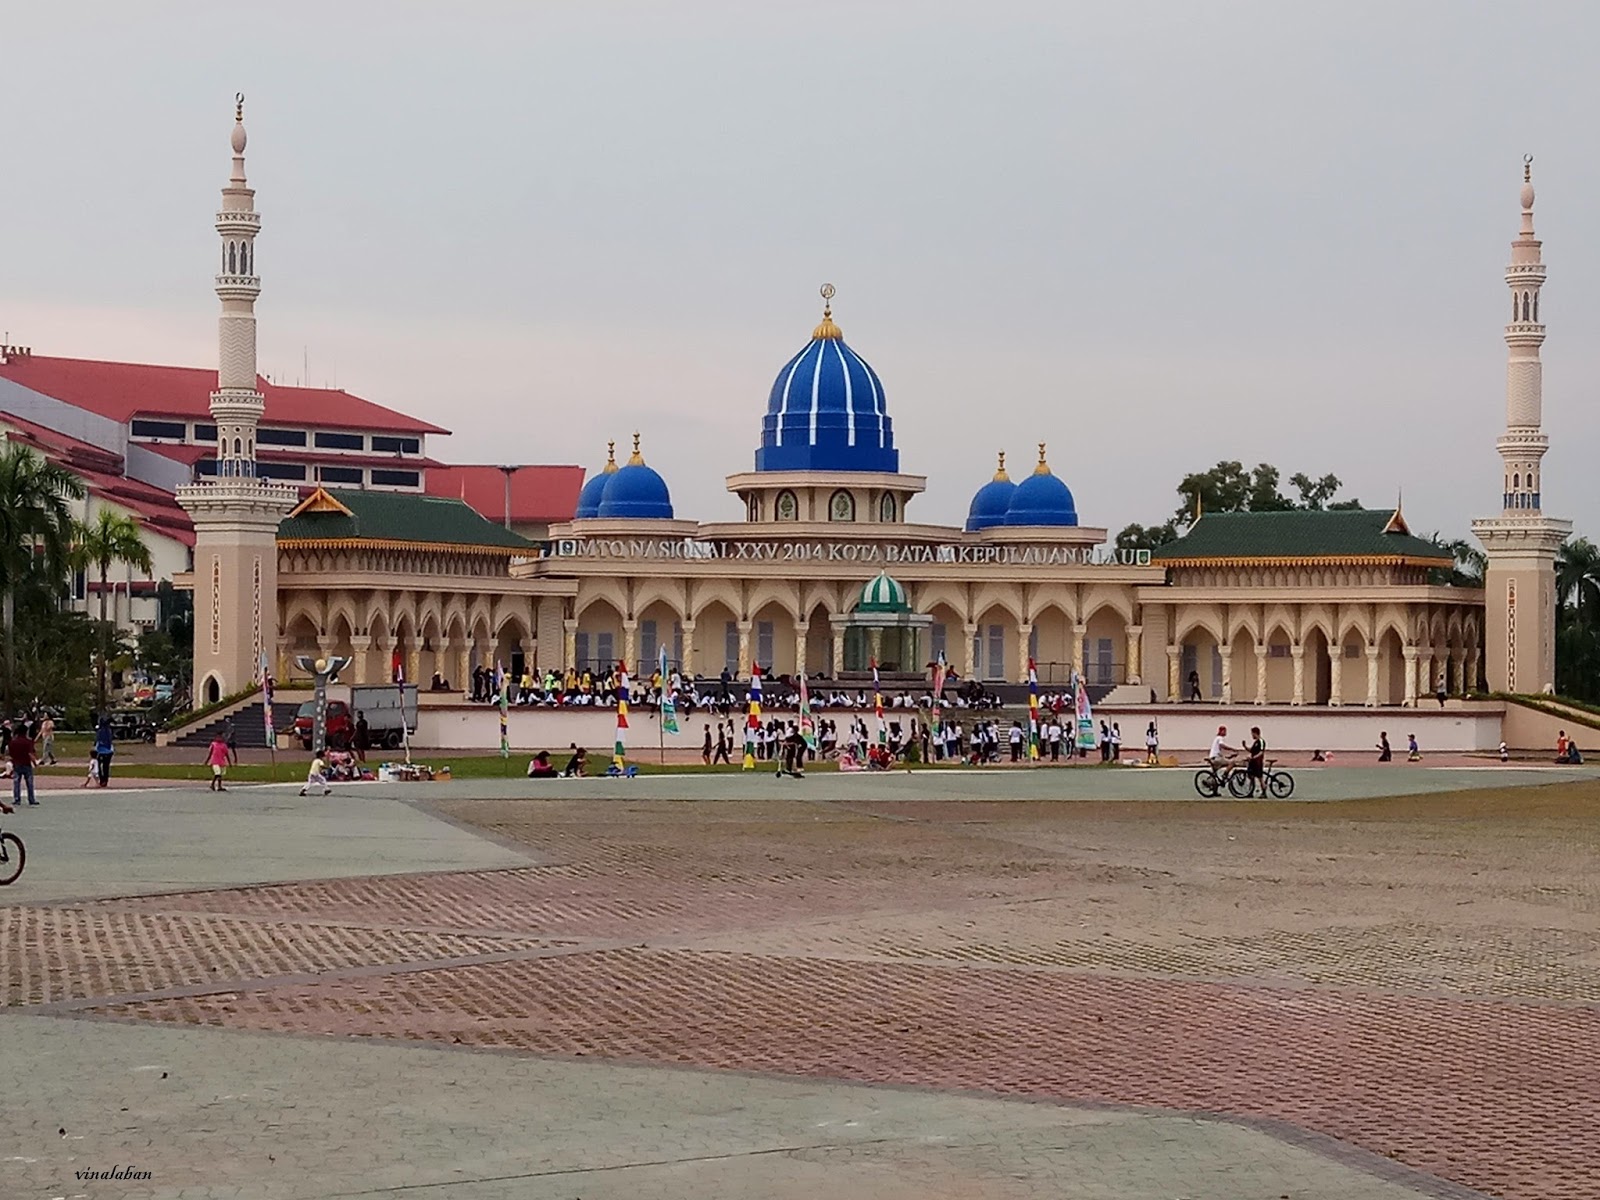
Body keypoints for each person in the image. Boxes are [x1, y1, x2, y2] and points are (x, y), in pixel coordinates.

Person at [8, 721, 38, 808]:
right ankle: (31, 799)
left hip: (17, 764)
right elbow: (30, 753)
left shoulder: (13, 742)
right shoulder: (28, 742)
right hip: (26, 764)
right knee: (29, 782)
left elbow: (10, 754)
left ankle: (17, 799)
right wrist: (35, 763)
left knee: (16, 782)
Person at [93, 714, 115, 787]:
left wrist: (95, 747)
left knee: (100, 766)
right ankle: (104, 780)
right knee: (106, 766)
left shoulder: (100, 731)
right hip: (108, 751)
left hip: (101, 751)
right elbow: (109, 741)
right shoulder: (108, 731)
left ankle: (102, 780)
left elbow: (97, 741)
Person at [1245, 726, 1266, 796]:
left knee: (1260, 777)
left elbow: (1261, 752)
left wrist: (1254, 757)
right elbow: (1251, 750)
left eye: (1252, 734)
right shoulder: (1255, 742)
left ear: (1255, 733)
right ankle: (1251, 792)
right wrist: (1245, 746)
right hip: (1253, 762)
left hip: (1258, 762)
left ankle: (1264, 792)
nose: (1252, 735)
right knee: (1251, 777)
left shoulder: (1261, 741)